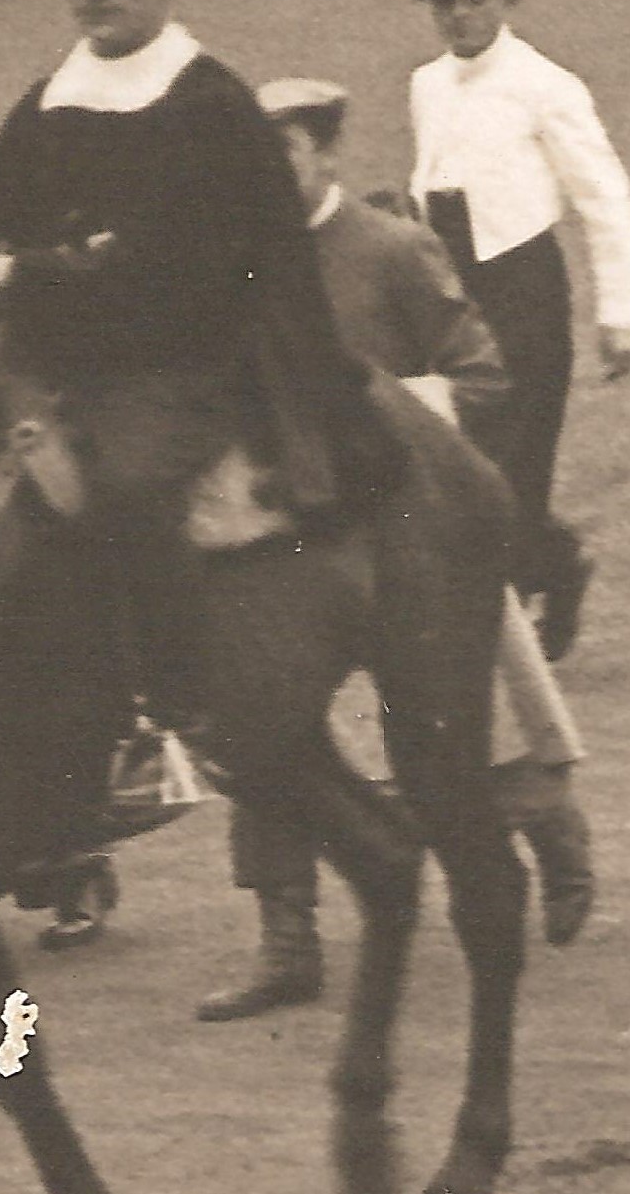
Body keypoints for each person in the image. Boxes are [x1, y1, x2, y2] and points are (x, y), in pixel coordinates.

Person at [200, 80, 600, 1016]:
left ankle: (552, 829)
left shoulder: (389, 250)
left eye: (287, 151)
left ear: (327, 154)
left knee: (470, 722)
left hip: (415, 521)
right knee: (261, 714)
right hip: (289, 533)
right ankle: (287, 937)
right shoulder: (236, 265)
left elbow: (487, 373)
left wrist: (389, 425)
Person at [400, 0, 630, 658]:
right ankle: (553, 562)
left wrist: (620, 314)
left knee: (514, 462)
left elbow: (604, 197)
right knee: (461, 462)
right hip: (450, 296)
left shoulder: (547, 85)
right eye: (445, 2)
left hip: (523, 293)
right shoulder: (425, 84)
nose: (459, 15)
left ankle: (494, 626)